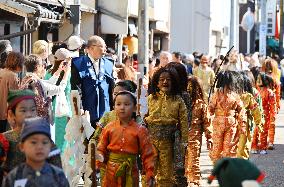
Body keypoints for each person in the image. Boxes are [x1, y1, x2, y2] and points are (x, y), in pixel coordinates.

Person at [96, 91, 155, 186]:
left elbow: (148, 154)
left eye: (127, 104)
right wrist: (99, 160)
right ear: (114, 107)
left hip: (131, 171)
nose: (122, 107)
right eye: (118, 104)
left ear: (135, 108)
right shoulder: (108, 128)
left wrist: (149, 173)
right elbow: (101, 148)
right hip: (111, 171)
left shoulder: (140, 130)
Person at [144, 67, 188, 186]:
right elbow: (142, 118)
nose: (165, 82)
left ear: (173, 82)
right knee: (149, 170)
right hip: (150, 141)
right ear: (156, 83)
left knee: (166, 174)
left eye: (168, 79)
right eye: (162, 79)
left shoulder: (178, 100)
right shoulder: (150, 98)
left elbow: (184, 121)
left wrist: (184, 141)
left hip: (168, 143)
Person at [2, 90, 62, 174]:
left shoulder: (44, 139)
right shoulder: (4, 140)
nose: (29, 114)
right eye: (23, 110)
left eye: (33, 110)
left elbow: (57, 170)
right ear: (12, 114)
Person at [2, 117, 69, 187]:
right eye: (34, 142)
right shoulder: (14, 177)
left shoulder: (58, 176)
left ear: (50, 146)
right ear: (21, 146)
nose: (39, 146)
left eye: (44, 142)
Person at [71, 35, 114, 127]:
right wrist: (79, 108)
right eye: (102, 46)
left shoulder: (109, 64)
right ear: (91, 48)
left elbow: (111, 89)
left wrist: (113, 108)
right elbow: (75, 89)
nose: (105, 50)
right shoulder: (78, 63)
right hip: (87, 110)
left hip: (105, 111)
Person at [208, 71, 246, 164]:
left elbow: (241, 110)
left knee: (228, 147)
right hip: (217, 124)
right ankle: (217, 167)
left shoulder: (235, 95)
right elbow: (210, 110)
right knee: (216, 148)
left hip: (231, 125)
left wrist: (243, 125)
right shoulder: (216, 94)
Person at [21, 54, 71, 121]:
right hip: (39, 119)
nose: (43, 67)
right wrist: (66, 73)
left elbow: (48, 83)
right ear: (37, 67)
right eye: (42, 65)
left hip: (28, 115)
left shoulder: (27, 78)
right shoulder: (36, 82)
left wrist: (59, 70)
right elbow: (60, 89)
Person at [186, 76, 213, 186]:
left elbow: (207, 123)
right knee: (183, 162)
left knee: (194, 160)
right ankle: (186, 181)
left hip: (195, 138)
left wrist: (209, 137)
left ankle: (195, 181)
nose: (189, 89)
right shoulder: (182, 102)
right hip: (182, 137)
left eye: (191, 87)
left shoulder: (201, 104)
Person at [44, 48, 72, 151]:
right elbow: (67, 92)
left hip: (51, 108)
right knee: (65, 139)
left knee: (53, 137)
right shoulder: (68, 74)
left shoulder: (48, 72)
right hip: (65, 109)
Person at [236, 72, 262, 159]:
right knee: (242, 146)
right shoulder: (235, 92)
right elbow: (259, 110)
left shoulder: (253, 93)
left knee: (242, 145)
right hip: (239, 122)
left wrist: (259, 122)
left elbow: (257, 109)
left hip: (245, 122)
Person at [251, 73, 276, 154]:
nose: (258, 81)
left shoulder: (270, 92)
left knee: (263, 132)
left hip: (265, 115)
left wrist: (273, 115)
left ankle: (263, 147)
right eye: (257, 79)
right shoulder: (255, 91)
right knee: (254, 131)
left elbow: (273, 105)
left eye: (260, 79)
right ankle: (254, 146)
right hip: (255, 114)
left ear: (264, 81)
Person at [0, 52, 24, 132]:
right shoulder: (12, 76)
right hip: (4, 114)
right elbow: (15, 98)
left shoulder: (1, 71)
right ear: (18, 63)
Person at [261, 58, 280, 150]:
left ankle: (266, 142)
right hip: (271, 104)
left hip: (264, 104)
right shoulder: (275, 79)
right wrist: (277, 106)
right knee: (271, 124)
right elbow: (277, 94)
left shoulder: (261, 78)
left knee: (264, 124)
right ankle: (270, 142)